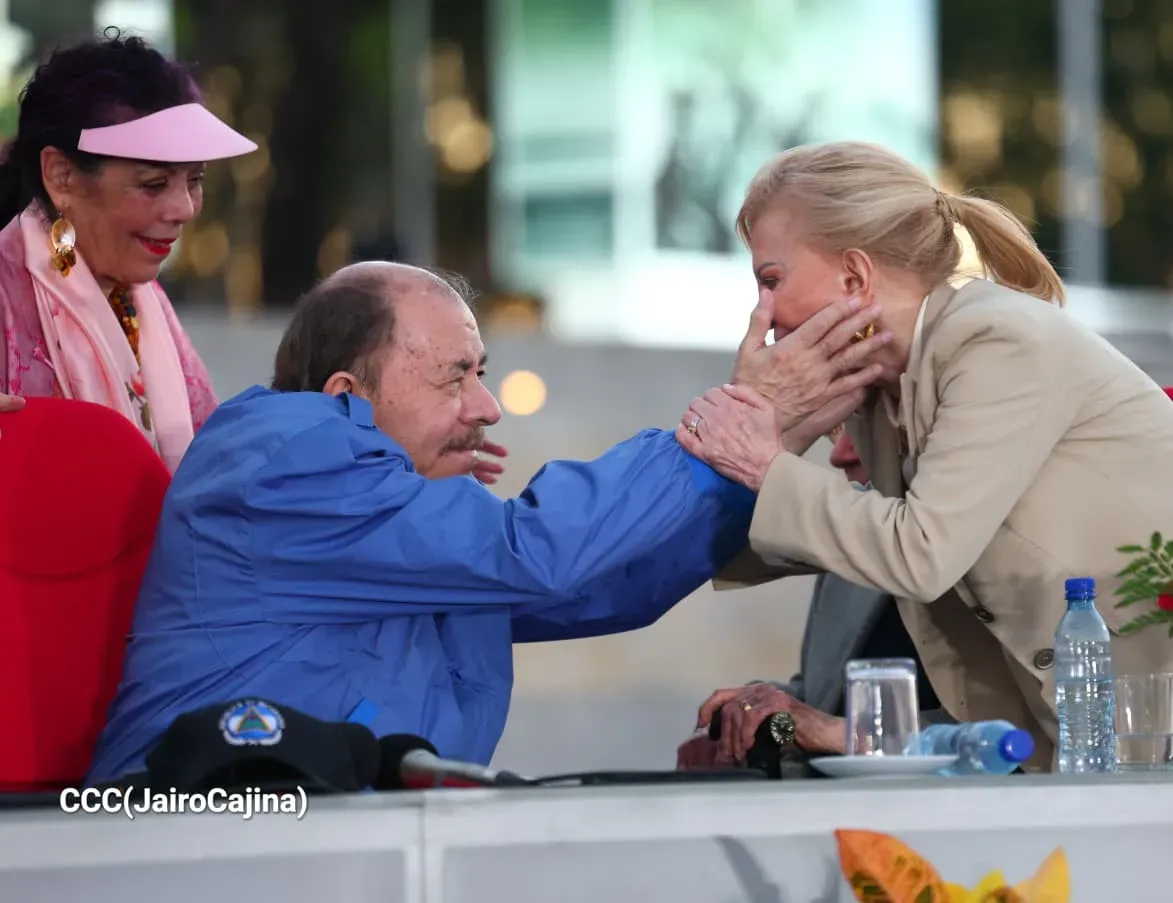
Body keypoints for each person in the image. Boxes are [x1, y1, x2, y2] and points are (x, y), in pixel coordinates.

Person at [86, 260, 886, 783]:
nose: (487, 406)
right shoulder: (284, 457)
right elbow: (542, 553)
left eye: (483, 372)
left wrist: (757, 454)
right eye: (455, 376)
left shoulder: (398, 526)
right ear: (345, 397)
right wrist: (738, 420)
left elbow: (602, 585)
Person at [677, 140, 1173, 769]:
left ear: (855, 277)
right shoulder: (886, 393)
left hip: (1144, 741)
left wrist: (760, 451)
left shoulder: (993, 338)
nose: (764, 317)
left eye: (771, 280)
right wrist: (774, 427)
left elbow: (921, 552)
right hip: (1079, 751)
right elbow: (814, 535)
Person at [0, 33, 256, 470]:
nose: (185, 209)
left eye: (195, 180)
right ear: (61, 175)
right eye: (153, 184)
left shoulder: (142, 300)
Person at [675, 432, 949, 770]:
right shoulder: (848, 546)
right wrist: (749, 724)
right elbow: (817, 705)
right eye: (836, 431)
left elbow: (1011, 740)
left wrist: (836, 732)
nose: (840, 455)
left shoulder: (1005, 563)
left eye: (868, 423)